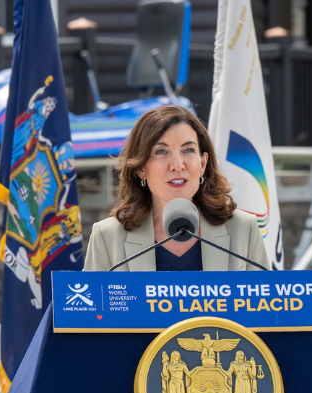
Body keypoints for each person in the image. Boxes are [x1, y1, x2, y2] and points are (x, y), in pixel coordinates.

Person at [83, 105, 271, 271]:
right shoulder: (108, 237)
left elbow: (268, 299)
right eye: (161, 151)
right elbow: (91, 301)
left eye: (188, 150)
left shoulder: (243, 229)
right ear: (141, 168)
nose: (177, 165)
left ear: (203, 163)